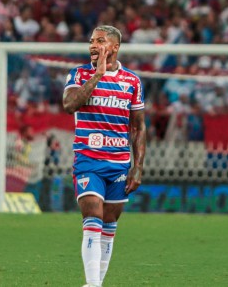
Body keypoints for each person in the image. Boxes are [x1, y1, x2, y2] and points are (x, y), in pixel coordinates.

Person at [62, 25, 146, 287]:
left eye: (99, 41)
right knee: (92, 215)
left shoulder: (131, 81)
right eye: (91, 41)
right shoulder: (78, 75)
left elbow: (138, 127)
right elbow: (70, 105)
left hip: (119, 163)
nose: (92, 45)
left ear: (114, 47)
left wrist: (138, 167)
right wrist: (97, 75)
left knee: (109, 224)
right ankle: (92, 284)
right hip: (88, 160)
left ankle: (97, 282)